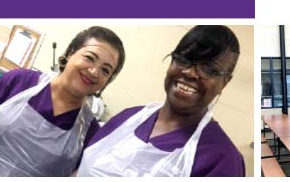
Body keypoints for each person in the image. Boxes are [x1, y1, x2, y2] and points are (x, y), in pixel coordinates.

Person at [0, 27, 124, 176]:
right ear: (71, 53)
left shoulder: (88, 133)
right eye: (90, 58)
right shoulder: (18, 83)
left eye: (106, 70)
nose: (94, 72)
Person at [77, 25, 244, 177]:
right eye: (184, 59)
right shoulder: (128, 118)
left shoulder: (223, 161)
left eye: (209, 69)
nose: (190, 73)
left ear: (224, 83)